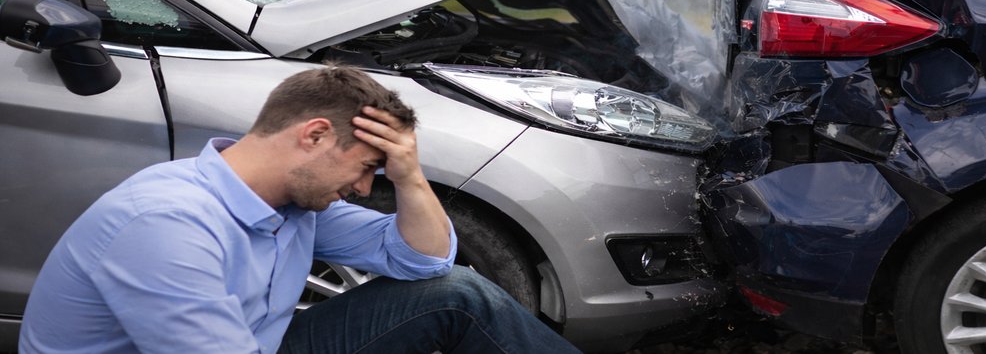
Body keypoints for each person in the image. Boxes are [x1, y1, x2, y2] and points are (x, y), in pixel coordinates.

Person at [20, 65, 578, 353]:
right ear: (314, 135)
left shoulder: (293, 204)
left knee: (458, 294)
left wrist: (407, 175)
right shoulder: (167, 223)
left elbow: (424, 266)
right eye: (364, 168)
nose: (364, 189)